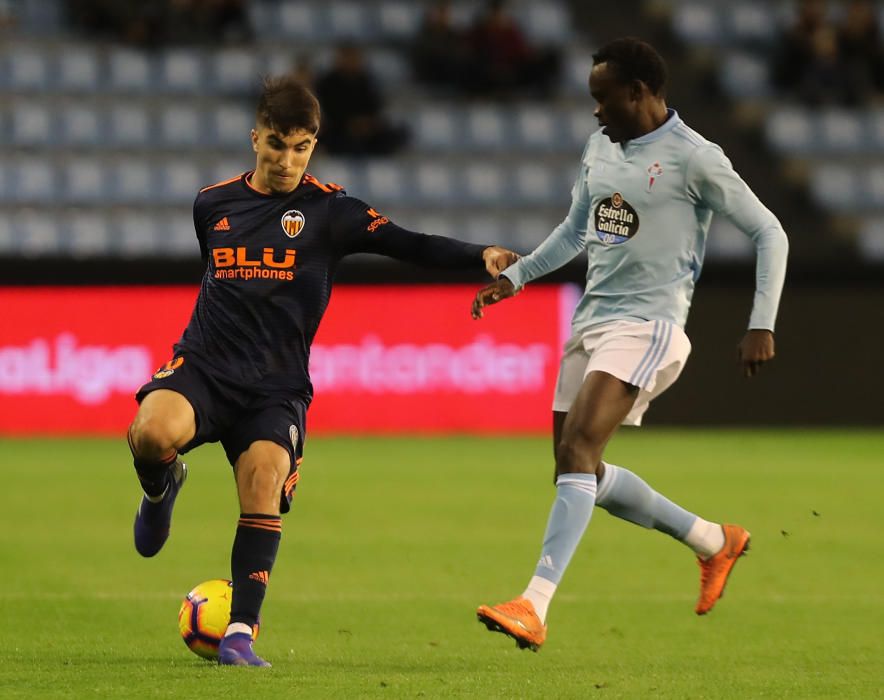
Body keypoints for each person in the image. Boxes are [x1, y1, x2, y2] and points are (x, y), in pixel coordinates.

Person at [127, 74, 517, 667]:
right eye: (276, 143)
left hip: (274, 388)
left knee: (261, 480)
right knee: (150, 434)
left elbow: (410, 244)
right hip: (205, 367)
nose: (287, 160)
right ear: (254, 136)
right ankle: (161, 487)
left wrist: (478, 256)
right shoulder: (213, 204)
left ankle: (239, 633)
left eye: (301, 147)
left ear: (314, 145)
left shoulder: (331, 211)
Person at [471, 37, 788, 651]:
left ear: (639, 93)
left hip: (650, 325)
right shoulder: (600, 147)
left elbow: (769, 232)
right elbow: (575, 231)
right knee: (575, 464)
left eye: (603, 98)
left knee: (582, 445)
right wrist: (517, 277)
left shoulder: (696, 158)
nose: (595, 112)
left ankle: (534, 605)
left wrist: (762, 321)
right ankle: (712, 540)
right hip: (591, 321)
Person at [314, 43, 409, 157]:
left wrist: (368, 123)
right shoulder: (327, 83)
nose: (352, 62)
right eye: (348, 58)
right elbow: (326, 109)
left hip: (367, 130)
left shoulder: (367, 81)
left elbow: (375, 106)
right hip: (338, 129)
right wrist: (350, 123)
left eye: (355, 58)